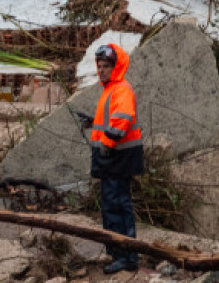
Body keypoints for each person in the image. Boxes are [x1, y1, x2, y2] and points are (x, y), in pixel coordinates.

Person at [78, 43, 144, 274]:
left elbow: (121, 122)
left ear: (116, 66)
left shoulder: (121, 89)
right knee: (113, 205)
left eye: (106, 66)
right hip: (114, 159)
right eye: (100, 65)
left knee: (117, 206)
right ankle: (121, 253)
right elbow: (111, 122)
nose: (102, 70)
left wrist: (105, 145)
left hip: (118, 159)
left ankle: (125, 256)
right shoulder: (111, 90)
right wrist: (92, 124)